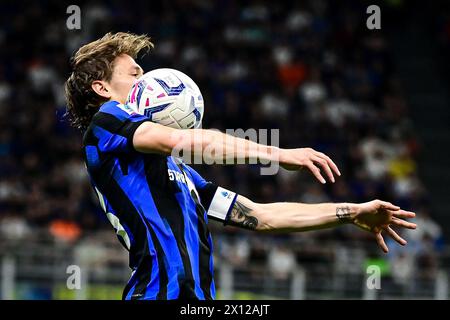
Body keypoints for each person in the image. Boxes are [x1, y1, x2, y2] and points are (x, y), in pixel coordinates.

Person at [64, 32, 416, 300]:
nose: (146, 79)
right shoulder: (105, 125)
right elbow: (188, 141)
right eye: (135, 73)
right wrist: (278, 154)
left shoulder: (181, 175)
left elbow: (262, 217)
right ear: (102, 88)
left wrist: (350, 212)